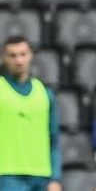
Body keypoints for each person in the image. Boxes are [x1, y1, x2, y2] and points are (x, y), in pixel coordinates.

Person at [0, 36, 62, 191]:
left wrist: (55, 178)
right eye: (12, 55)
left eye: (22, 54)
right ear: (4, 58)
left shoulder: (45, 93)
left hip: (41, 175)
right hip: (7, 175)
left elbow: (53, 138)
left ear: (30, 55)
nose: (18, 61)